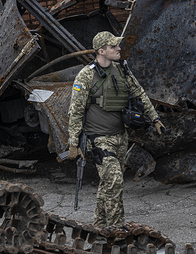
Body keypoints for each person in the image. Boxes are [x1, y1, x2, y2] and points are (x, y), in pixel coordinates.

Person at [67, 31, 165, 227]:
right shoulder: (86, 76)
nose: (119, 49)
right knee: (114, 181)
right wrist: (73, 143)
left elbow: (139, 93)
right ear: (101, 51)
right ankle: (116, 230)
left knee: (107, 185)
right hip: (99, 139)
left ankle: (100, 227)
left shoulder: (121, 70)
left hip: (121, 137)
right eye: (113, 47)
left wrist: (154, 118)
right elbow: (75, 112)